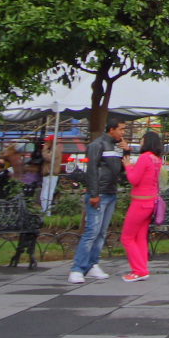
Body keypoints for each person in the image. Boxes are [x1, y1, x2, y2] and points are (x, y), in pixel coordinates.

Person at [70, 118, 127, 285]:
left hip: (110, 192)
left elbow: (121, 168)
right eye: (121, 129)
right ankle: (77, 268)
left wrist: (127, 151)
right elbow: (92, 170)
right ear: (111, 129)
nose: (123, 133)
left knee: (101, 232)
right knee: (92, 231)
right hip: (99, 193)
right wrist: (94, 193)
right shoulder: (97, 145)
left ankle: (92, 264)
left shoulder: (116, 146)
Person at [120, 130, 163, 282]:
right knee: (140, 237)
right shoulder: (157, 159)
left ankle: (139, 270)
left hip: (139, 201)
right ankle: (142, 267)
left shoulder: (144, 157)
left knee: (127, 238)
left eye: (142, 140)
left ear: (147, 142)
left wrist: (128, 166)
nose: (140, 142)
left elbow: (134, 179)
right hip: (150, 201)